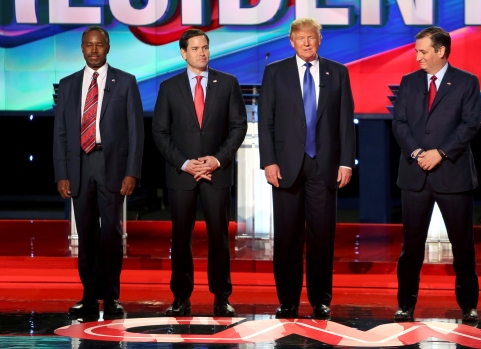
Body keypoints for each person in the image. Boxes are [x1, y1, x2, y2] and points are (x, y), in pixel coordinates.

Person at [258, 17, 356, 320]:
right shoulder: (275, 73)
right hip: (286, 166)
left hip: (324, 165)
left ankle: (320, 300)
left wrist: (345, 161)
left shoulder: (338, 72)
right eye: (300, 38)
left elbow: (345, 121)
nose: (306, 43)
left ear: (320, 39)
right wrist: (269, 161)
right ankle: (287, 300)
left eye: (311, 37)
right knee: (287, 237)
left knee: (321, 236)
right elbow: (266, 122)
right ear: (291, 41)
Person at [152, 28, 247, 316]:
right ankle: (181, 297)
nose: (202, 53)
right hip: (182, 175)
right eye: (195, 48)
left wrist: (216, 160)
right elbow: (160, 132)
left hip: (216, 173)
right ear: (183, 53)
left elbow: (238, 127)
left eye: (205, 47)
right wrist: (185, 163)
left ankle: (221, 296)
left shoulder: (227, 83)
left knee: (219, 237)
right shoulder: (169, 87)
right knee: (181, 237)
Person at [391, 26, 481, 322]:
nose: (417, 57)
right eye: (417, 51)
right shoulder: (408, 82)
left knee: (462, 245)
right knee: (411, 246)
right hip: (415, 175)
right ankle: (406, 304)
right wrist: (418, 153)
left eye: (423, 51)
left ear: (440, 51)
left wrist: (440, 152)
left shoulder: (467, 82)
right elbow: (399, 123)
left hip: (453, 175)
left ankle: (468, 305)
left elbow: (471, 123)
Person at [53, 26, 144, 316]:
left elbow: (135, 132)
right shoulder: (67, 85)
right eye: (89, 45)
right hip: (79, 165)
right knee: (87, 235)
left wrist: (132, 172)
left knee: (111, 235)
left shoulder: (126, 82)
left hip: (112, 167)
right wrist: (61, 173)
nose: (94, 50)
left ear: (107, 47)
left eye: (99, 45)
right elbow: (61, 134)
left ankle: (112, 297)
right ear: (82, 48)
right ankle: (90, 296)